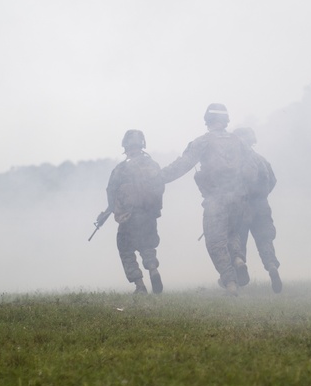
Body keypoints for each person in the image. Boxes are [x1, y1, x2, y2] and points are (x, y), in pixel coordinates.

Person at [161, 104, 255, 296]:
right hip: (239, 199)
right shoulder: (239, 141)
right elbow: (252, 168)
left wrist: (158, 178)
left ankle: (230, 282)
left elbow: (183, 165)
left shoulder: (203, 141)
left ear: (207, 120)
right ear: (226, 120)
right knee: (233, 234)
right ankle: (238, 258)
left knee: (215, 242)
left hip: (216, 200)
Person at [98, 130, 166, 294]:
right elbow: (160, 187)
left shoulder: (120, 169)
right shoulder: (152, 165)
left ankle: (140, 285)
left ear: (125, 147)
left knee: (125, 249)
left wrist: (107, 212)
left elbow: (111, 192)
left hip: (127, 217)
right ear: (142, 145)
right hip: (148, 215)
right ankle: (153, 269)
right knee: (147, 246)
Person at [233, 127, 283, 293]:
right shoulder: (260, 159)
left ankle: (239, 263)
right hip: (261, 206)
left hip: (241, 207)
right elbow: (273, 180)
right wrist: (261, 197)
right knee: (265, 241)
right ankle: (271, 267)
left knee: (237, 240)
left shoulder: (233, 161)